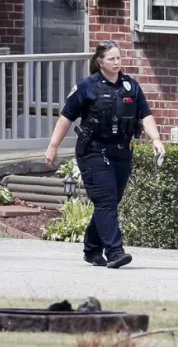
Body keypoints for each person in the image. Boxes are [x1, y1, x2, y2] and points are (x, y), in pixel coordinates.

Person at [44, 40, 165, 269]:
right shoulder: (86, 87)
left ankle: (91, 249)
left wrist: (156, 139)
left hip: (121, 152)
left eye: (119, 58)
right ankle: (115, 251)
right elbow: (65, 117)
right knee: (106, 201)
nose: (117, 62)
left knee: (108, 203)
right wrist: (53, 146)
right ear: (100, 62)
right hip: (93, 152)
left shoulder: (131, 87)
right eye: (112, 59)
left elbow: (146, 115)